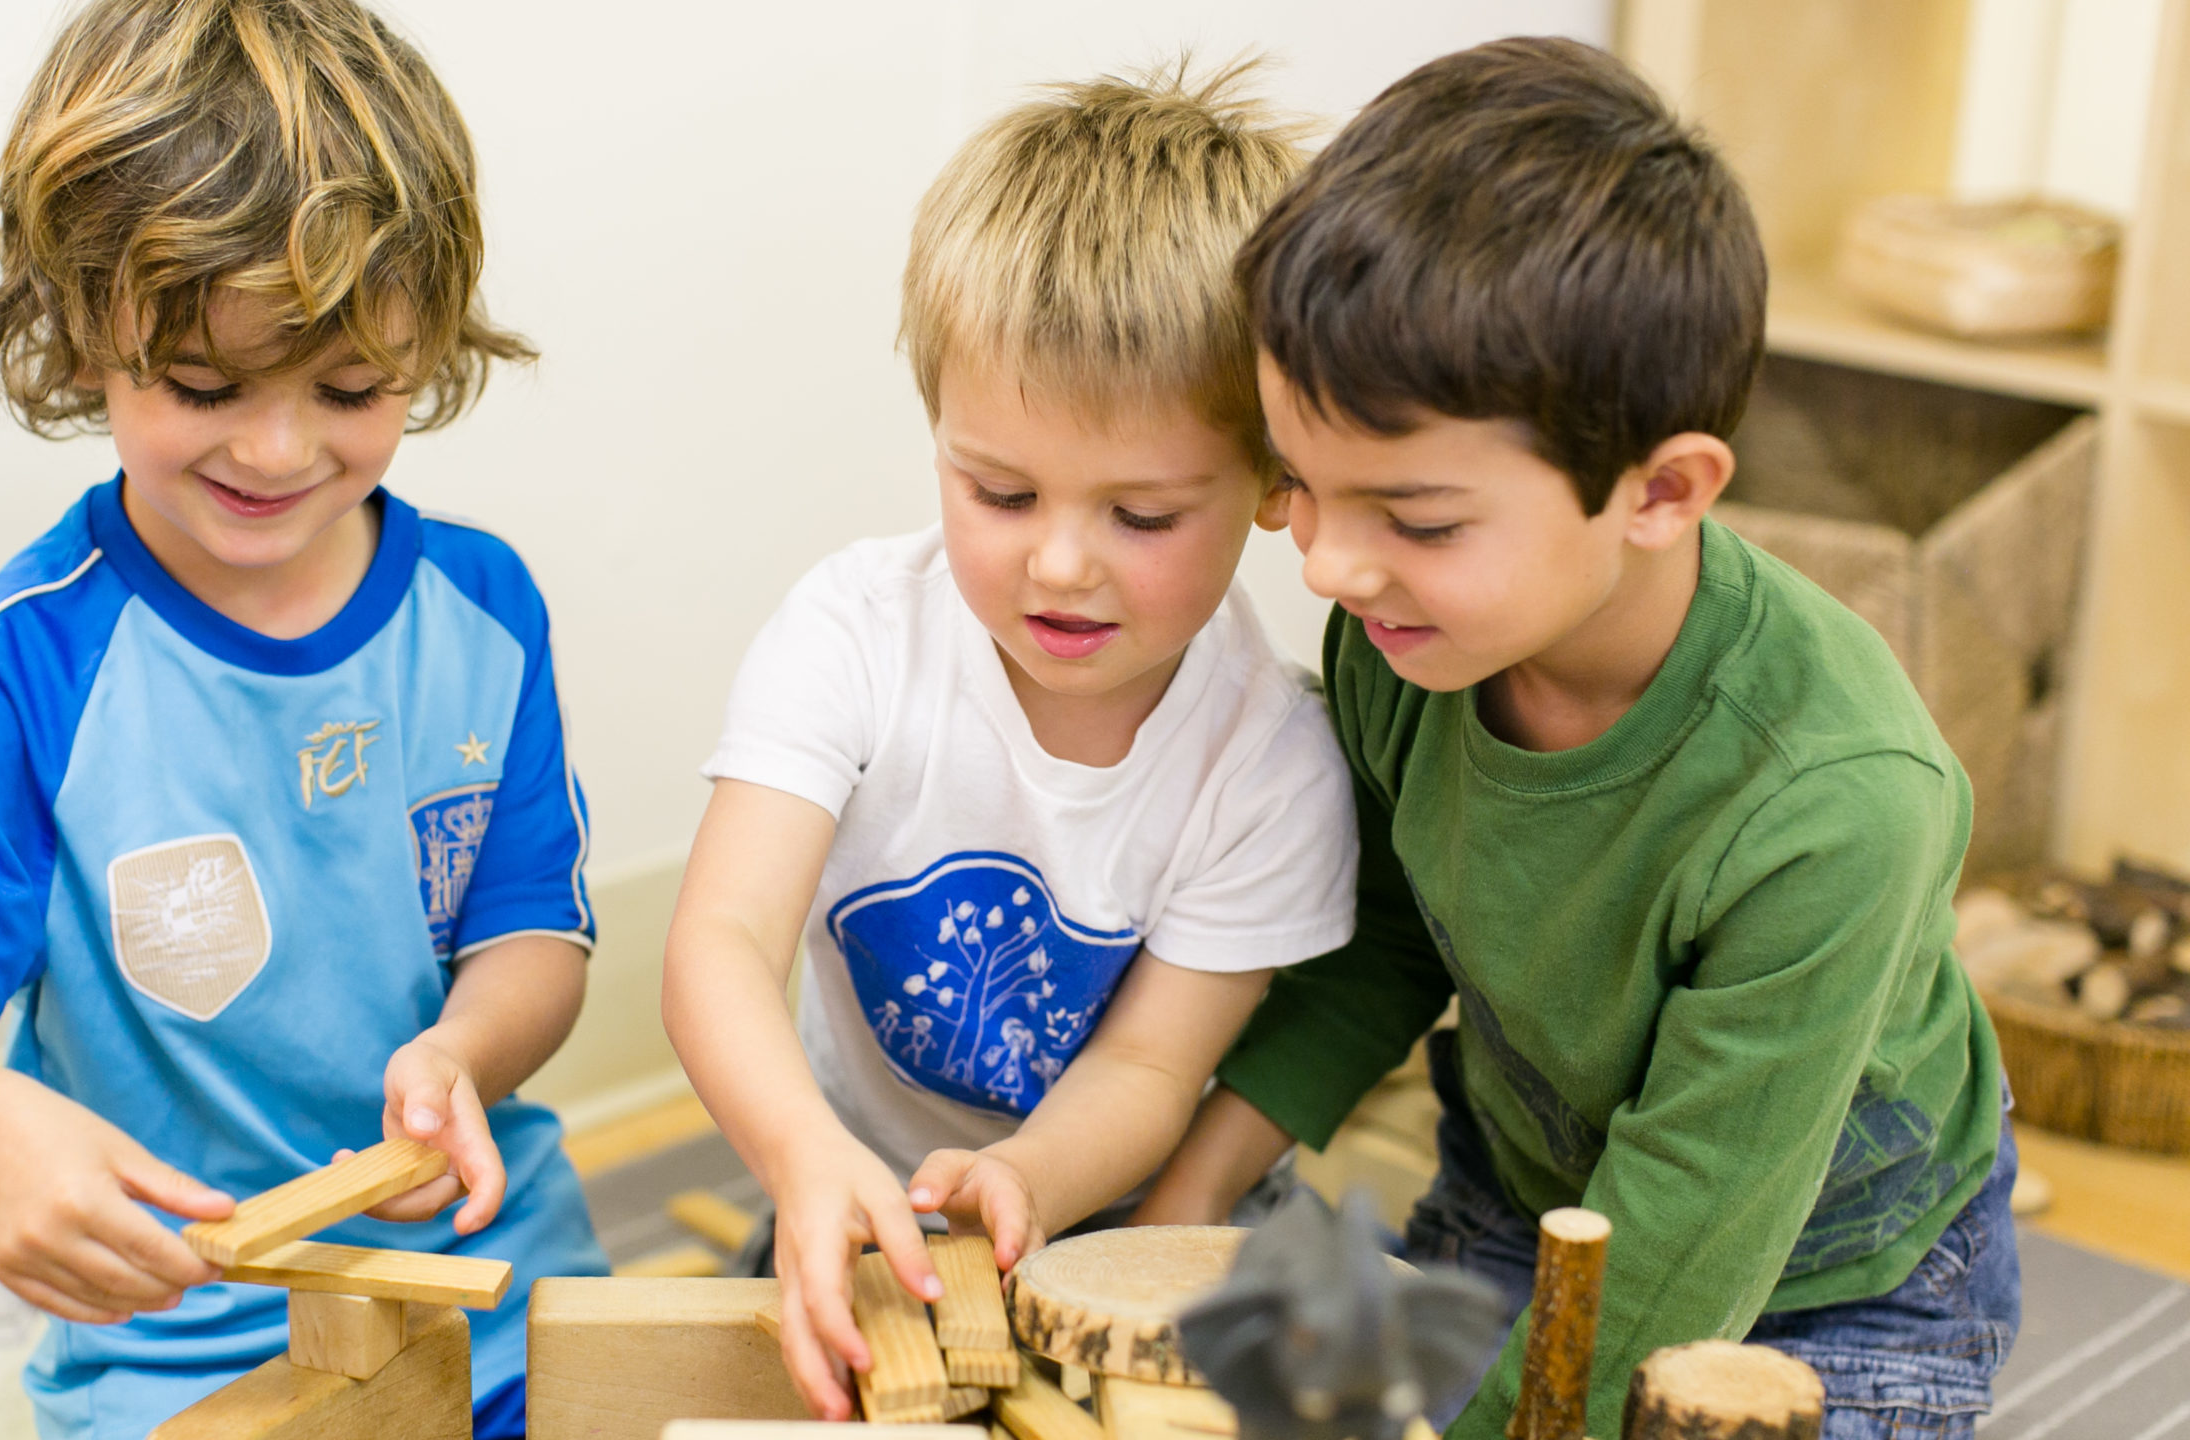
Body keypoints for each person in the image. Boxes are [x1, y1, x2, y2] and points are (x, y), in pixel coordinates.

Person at [1134, 37, 2017, 1440]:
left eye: (1415, 520)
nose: (1329, 571)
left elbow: (1687, 1231)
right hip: (1520, 1201)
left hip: (1838, 1286)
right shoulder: (1404, 635)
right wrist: (1183, 1201)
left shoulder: (1839, 802)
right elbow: (1378, 939)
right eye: (1300, 485)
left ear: (1662, 490)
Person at [0, 3, 604, 1435]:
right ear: (80, 335)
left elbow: (532, 936)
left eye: (352, 389)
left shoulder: (484, 614)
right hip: (177, 1347)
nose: (280, 449)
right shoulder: (20, 667)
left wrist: (464, 1055)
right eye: (202, 387)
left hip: (493, 1293)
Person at [661, 63, 1358, 1420]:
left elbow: (1153, 1067)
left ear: (1277, 482)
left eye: (1141, 517)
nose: (1058, 564)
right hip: (858, 1193)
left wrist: (1028, 1183)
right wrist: (803, 1156)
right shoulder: (854, 634)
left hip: (1146, 1217)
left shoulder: (1272, 762)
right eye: (999, 490)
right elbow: (719, 942)